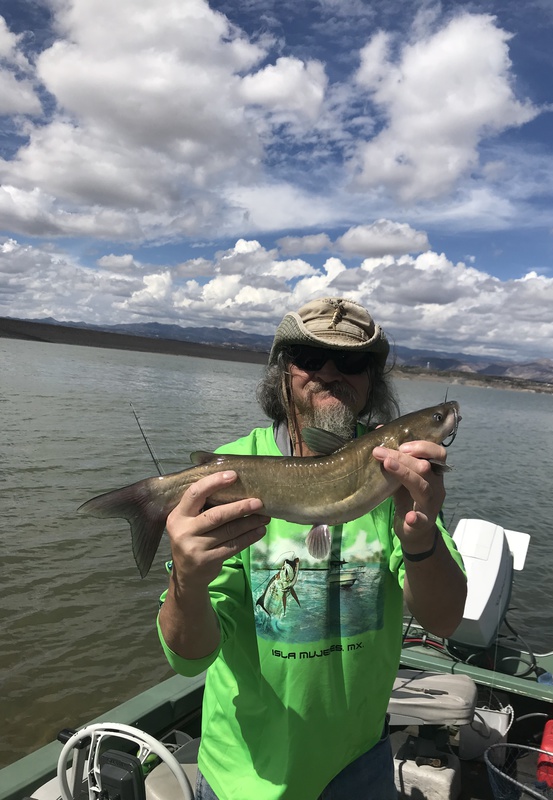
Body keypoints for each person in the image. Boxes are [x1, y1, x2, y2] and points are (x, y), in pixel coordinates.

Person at [157, 297, 467, 800]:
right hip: (246, 773)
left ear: (372, 380)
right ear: (283, 371)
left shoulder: (400, 482)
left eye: (351, 361)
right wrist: (186, 581)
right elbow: (189, 659)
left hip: (359, 762)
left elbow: (445, 621)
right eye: (308, 356)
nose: (329, 371)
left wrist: (421, 536)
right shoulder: (234, 475)